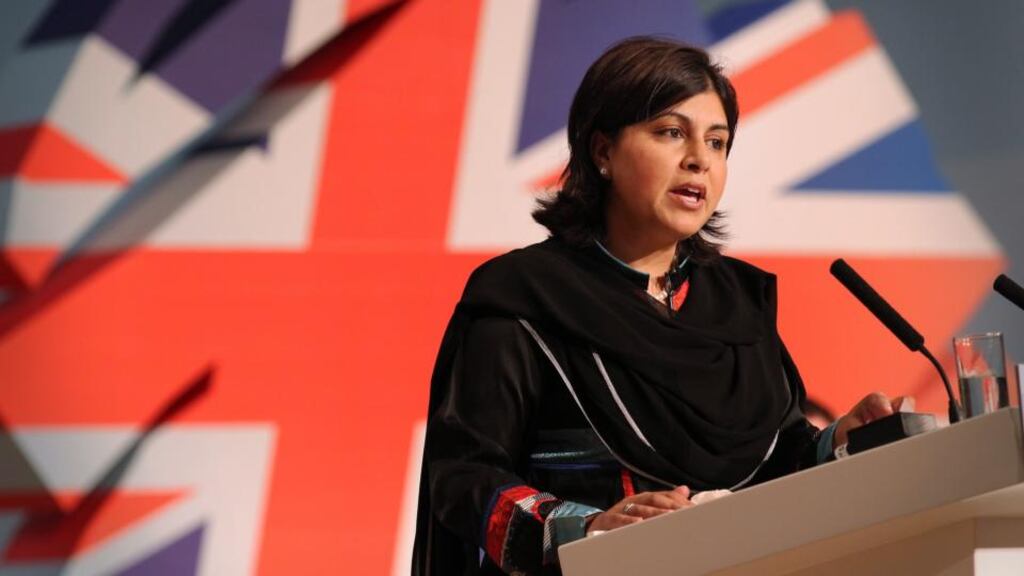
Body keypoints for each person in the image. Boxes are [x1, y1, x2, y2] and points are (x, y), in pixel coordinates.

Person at [412, 36, 905, 576]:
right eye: (672, 134)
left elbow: (773, 459)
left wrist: (835, 442)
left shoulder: (737, 301)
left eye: (717, 143)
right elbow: (464, 476)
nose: (699, 160)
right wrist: (587, 529)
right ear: (603, 151)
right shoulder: (523, 297)